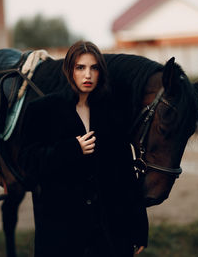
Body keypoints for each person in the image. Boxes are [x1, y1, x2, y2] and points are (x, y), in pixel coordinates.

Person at [18, 41, 148, 257]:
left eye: (94, 68)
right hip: (61, 232)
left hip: (109, 233)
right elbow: (27, 163)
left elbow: (126, 175)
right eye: (80, 68)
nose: (88, 74)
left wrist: (138, 228)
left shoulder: (113, 112)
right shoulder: (42, 110)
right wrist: (71, 150)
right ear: (69, 70)